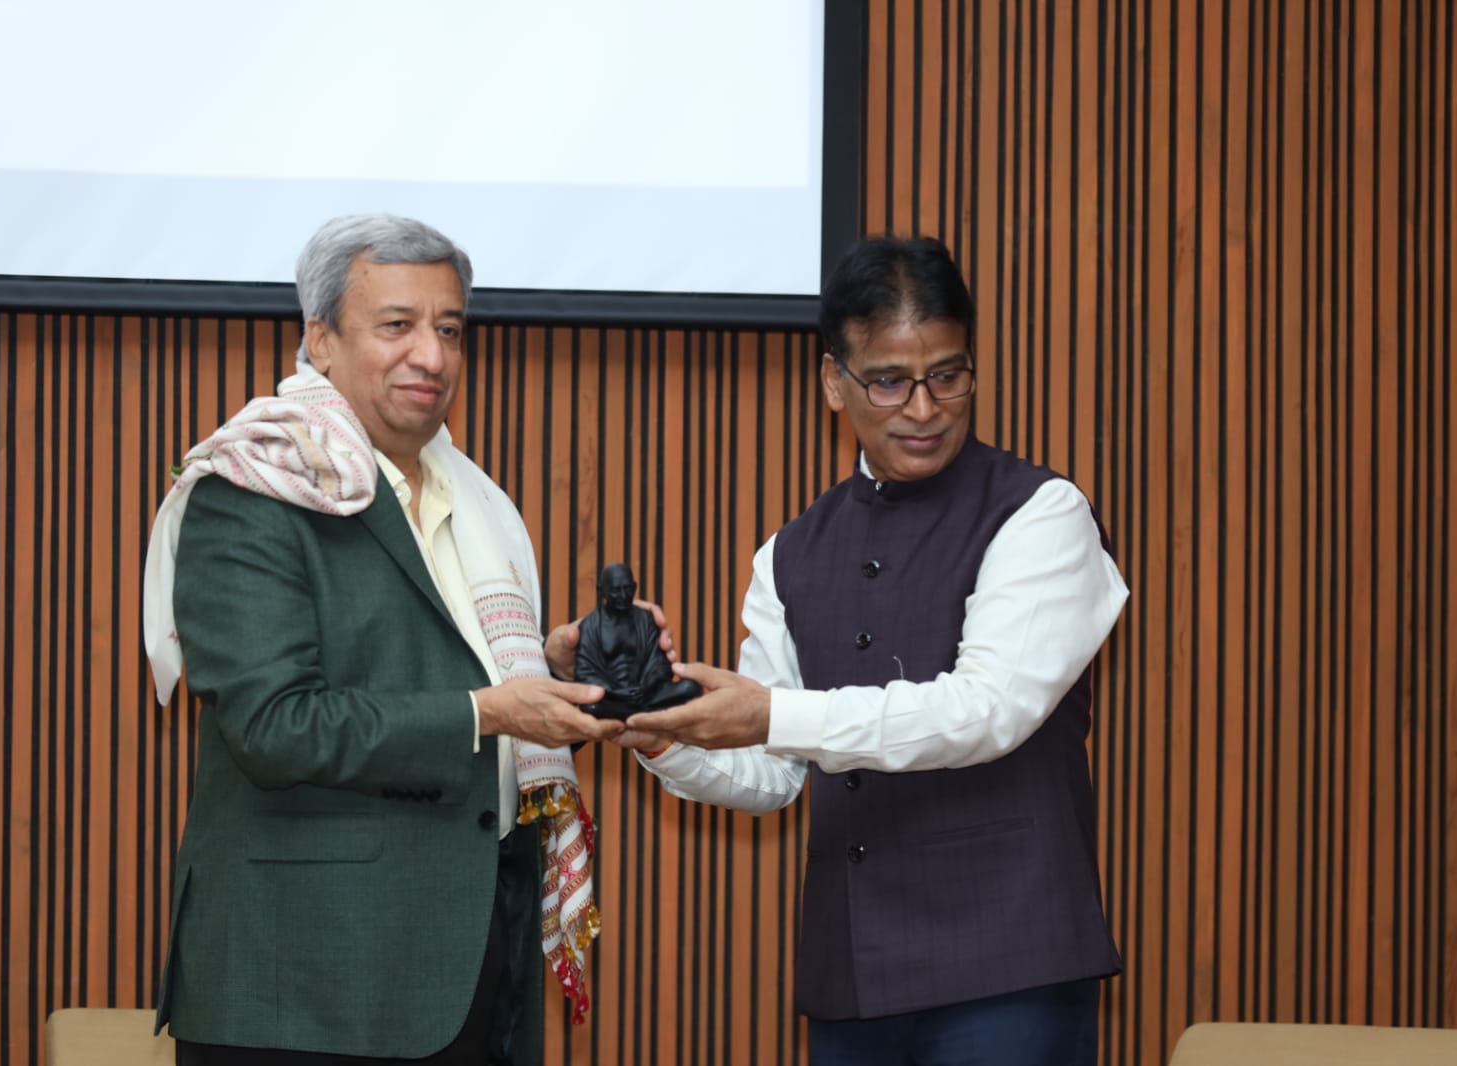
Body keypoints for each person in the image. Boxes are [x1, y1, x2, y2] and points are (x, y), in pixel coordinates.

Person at [618, 235, 1129, 1066]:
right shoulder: (789, 553)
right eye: (889, 381)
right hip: (853, 975)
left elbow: (986, 711)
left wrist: (771, 716)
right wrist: (663, 732)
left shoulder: (1042, 513)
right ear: (834, 381)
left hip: (1010, 970)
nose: (923, 409)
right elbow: (772, 776)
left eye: (947, 375)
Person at [140, 214, 634, 1065]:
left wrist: (554, 665)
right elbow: (272, 727)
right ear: (321, 340)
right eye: (397, 325)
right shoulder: (257, 486)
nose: (432, 356)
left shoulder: (472, 495)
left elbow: (456, 671)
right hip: (304, 989)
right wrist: (487, 712)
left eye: (450, 330)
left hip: (473, 965)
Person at [575, 562, 701, 719]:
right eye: (615, 590)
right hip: (612, 697)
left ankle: (632, 713)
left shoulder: (646, 620)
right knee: (591, 706)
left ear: (635, 588)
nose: (623, 596)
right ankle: (643, 712)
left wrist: (647, 687)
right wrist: (615, 691)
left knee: (690, 687)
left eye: (627, 589)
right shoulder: (590, 626)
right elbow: (584, 671)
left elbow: (660, 664)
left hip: (647, 693)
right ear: (601, 591)